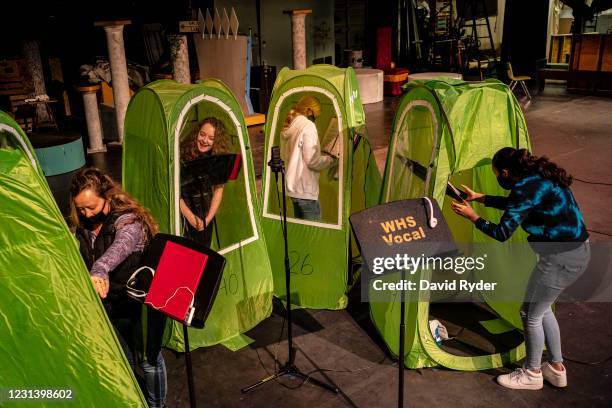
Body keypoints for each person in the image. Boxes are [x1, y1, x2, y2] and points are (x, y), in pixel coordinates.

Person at [451, 147, 590, 390]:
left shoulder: (524, 187)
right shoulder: (538, 175)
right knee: (543, 309)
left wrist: (473, 217)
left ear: (506, 172)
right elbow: (520, 204)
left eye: (497, 174)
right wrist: (482, 198)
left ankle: (532, 373)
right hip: (576, 252)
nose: (498, 178)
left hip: (560, 259)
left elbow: (502, 233)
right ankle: (556, 369)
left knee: (530, 313)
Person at [70, 167, 167, 407]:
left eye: (91, 207)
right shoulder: (82, 226)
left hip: (139, 304)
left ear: (107, 197)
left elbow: (122, 246)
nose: (87, 213)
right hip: (111, 307)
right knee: (122, 360)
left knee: (149, 361)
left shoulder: (128, 220)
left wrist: (100, 268)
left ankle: (157, 405)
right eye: (81, 208)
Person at [281, 95, 336, 221]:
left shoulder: (290, 126)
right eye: (316, 115)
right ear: (310, 111)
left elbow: (286, 156)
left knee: (303, 235)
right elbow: (312, 161)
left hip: (294, 191)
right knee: (314, 236)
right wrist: (330, 159)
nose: (315, 119)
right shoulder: (308, 126)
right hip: (306, 192)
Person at [179, 117, 229, 247]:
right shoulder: (182, 155)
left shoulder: (217, 158)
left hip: (205, 216)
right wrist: (190, 217)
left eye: (211, 138)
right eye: (202, 134)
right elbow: (174, 191)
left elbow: (219, 190)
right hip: (184, 216)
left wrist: (208, 218)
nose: (204, 140)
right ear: (197, 133)